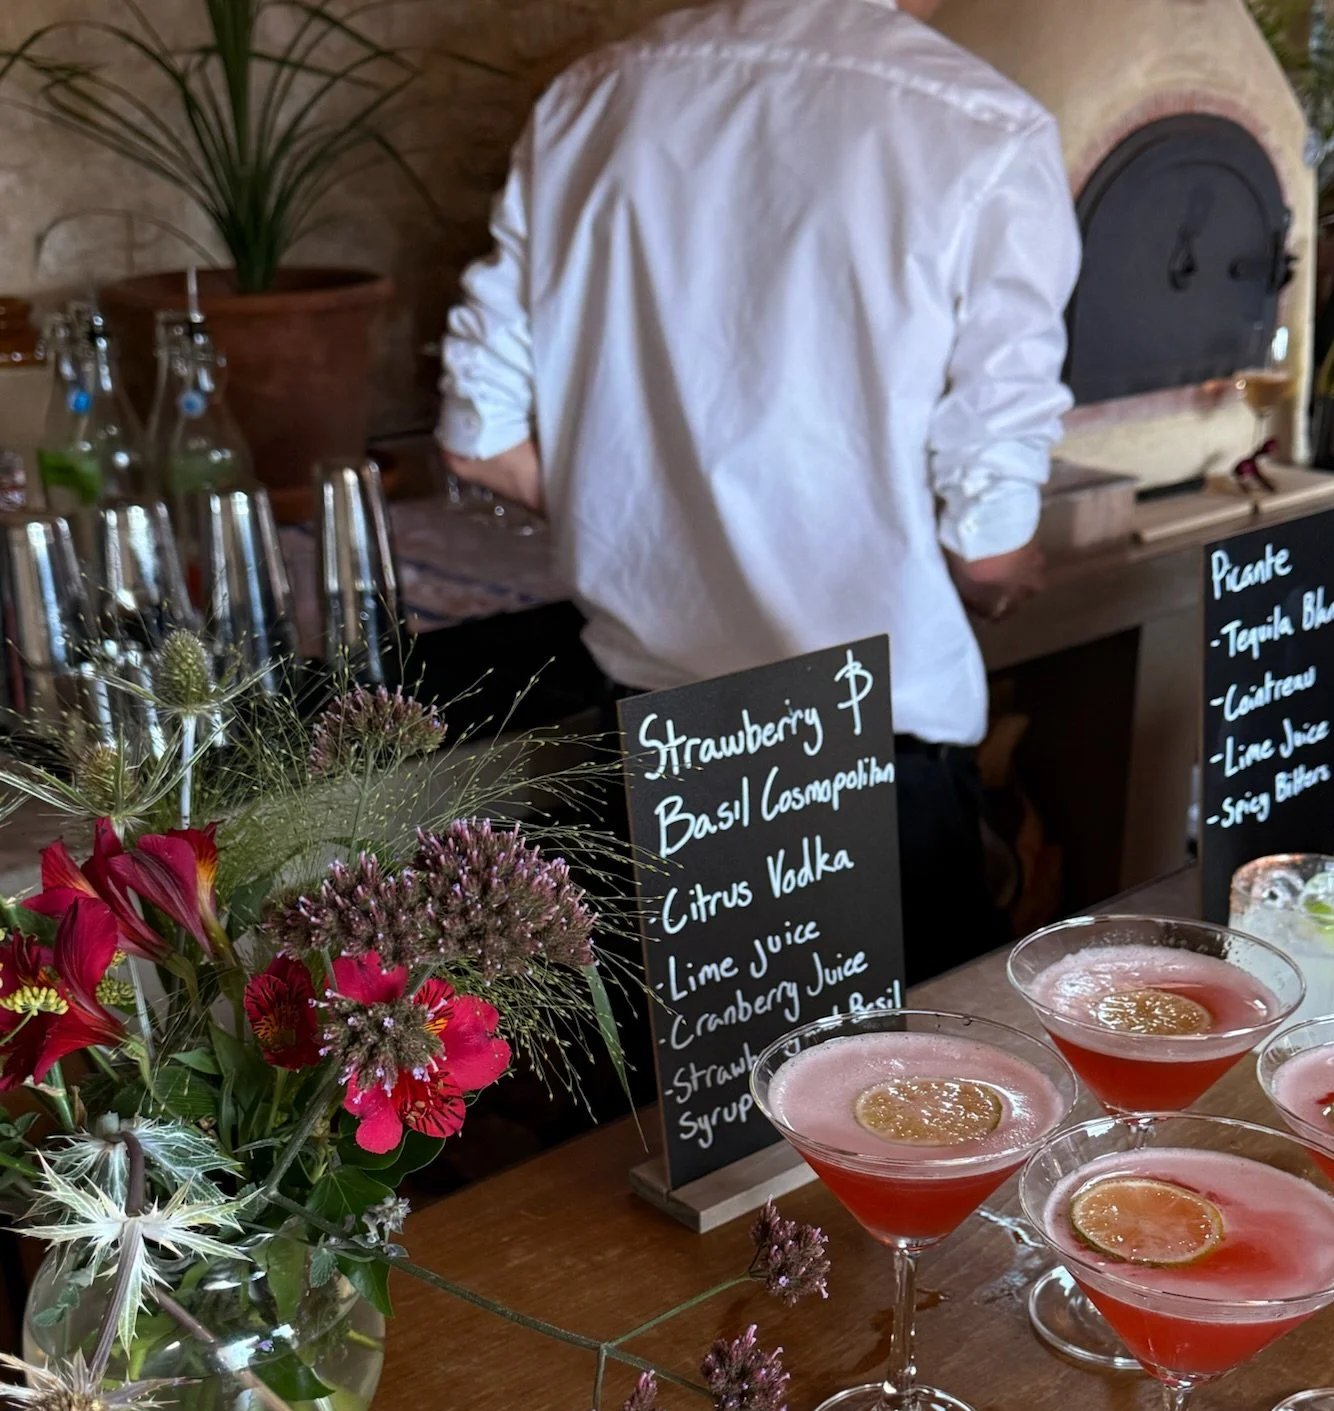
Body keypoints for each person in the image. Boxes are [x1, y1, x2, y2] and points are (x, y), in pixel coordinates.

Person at [437, 0, 1079, 982]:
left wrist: (642, 513)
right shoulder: (986, 129)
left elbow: (478, 440)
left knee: (671, 1131)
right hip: (871, 766)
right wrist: (997, 570)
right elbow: (987, 541)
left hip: (650, 757)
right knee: (894, 1120)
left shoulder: (590, 97)